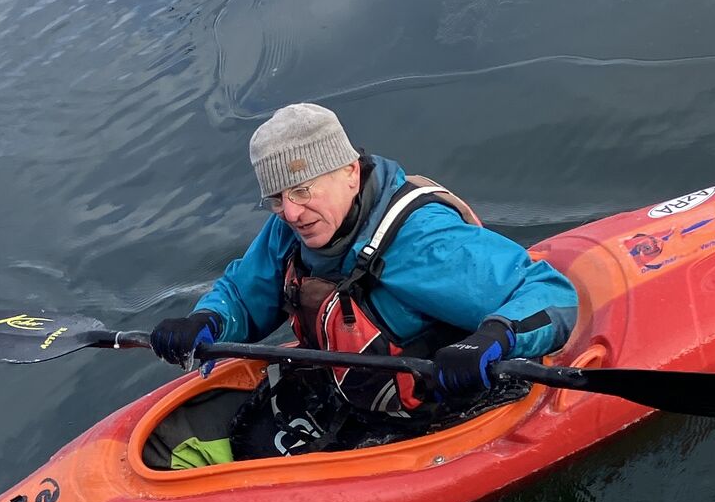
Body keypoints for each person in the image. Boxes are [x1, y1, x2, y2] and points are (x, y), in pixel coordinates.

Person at [148, 103, 578, 461]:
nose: (291, 212)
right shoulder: (291, 232)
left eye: (302, 190)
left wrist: (492, 338)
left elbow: (550, 295)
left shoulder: (424, 241)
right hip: (345, 393)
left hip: (437, 414)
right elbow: (244, 296)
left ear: (350, 172)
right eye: (277, 198)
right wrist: (206, 321)